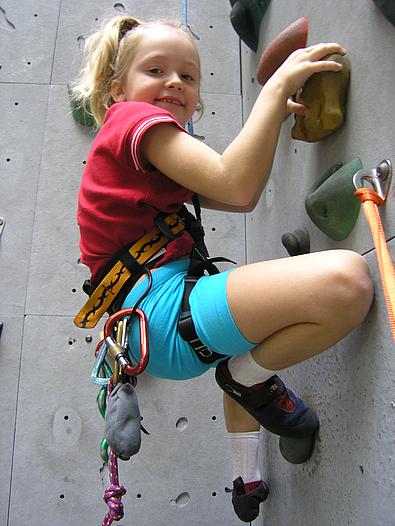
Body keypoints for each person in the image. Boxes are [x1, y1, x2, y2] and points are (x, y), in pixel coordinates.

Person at [72, 15, 374, 523]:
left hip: (159, 326)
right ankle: (244, 378)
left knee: (246, 352)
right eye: (156, 70)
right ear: (116, 92)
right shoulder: (130, 124)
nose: (175, 82)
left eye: (189, 77)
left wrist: (276, 114)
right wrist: (276, 87)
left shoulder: (146, 158)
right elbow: (236, 186)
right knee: (347, 281)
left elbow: (241, 194)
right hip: (166, 313)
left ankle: (247, 481)